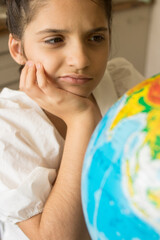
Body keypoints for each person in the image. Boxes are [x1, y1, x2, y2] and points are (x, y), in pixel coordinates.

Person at [0, 0, 112, 239]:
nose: (80, 60)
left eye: (95, 38)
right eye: (55, 40)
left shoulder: (123, 81)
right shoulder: (8, 128)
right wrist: (82, 119)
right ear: (18, 50)